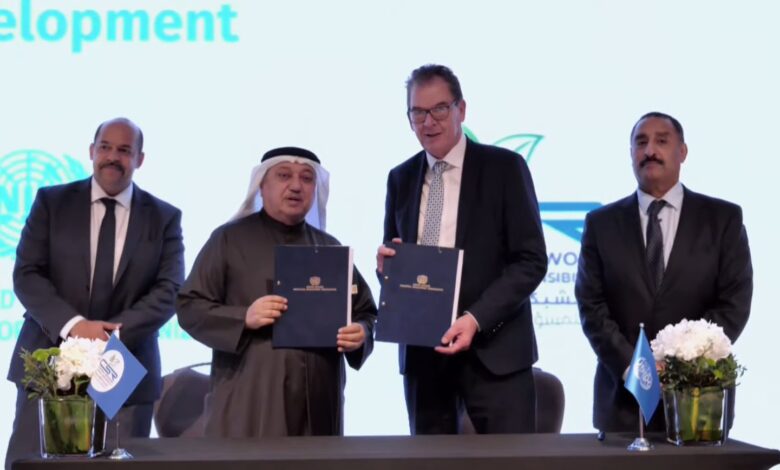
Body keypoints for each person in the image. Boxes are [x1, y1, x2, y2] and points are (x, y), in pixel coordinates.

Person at [377, 64, 548, 434]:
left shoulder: (504, 168)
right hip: (425, 357)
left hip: (495, 354)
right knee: (429, 461)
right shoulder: (400, 178)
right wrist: (388, 269)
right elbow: (397, 258)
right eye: (417, 112)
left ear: (461, 109)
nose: (428, 122)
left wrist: (475, 318)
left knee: (512, 461)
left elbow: (531, 261)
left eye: (439, 109)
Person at [6, 117, 185, 467]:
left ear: (139, 159)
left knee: (116, 463)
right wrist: (75, 326)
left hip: (125, 363)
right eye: (105, 147)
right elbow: (27, 274)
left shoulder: (164, 217)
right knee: (33, 462)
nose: (112, 157)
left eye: (124, 150)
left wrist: (109, 336)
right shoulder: (51, 203)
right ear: (91, 151)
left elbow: (170, 289)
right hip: (49, 359)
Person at [177, 146, 376, 438]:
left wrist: (361, 333)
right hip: (250, 398)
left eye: (307, 178)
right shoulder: (228, 240)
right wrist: (244, 317)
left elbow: (365, 312)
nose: (296, 186)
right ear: (262, 185)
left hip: (319, 402)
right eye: (284, 176)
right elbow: (189, 306)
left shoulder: (330, 248)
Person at [575, 111, 753, 434]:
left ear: (682, 152)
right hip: (622, 403)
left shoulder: (723, 219)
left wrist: (683, 365)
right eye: (640, 142)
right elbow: (591, 305)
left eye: (661, 141)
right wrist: (635, 369)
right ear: (631, 153)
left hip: (698, 401)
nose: (650, 151)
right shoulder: (601, 224)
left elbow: (734, 304)